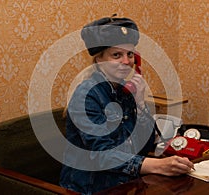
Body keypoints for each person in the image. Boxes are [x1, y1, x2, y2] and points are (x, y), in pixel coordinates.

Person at [59, 16, 194, 195]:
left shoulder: (125, 90)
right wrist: (158, 165)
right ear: (100, 59)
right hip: (90, 188)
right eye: (117, 55)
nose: (126, 61)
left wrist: (140, 106)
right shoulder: (86, 96)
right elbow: (102, 155)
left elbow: (144, 147)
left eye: (130, 54)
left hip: (126, 184)